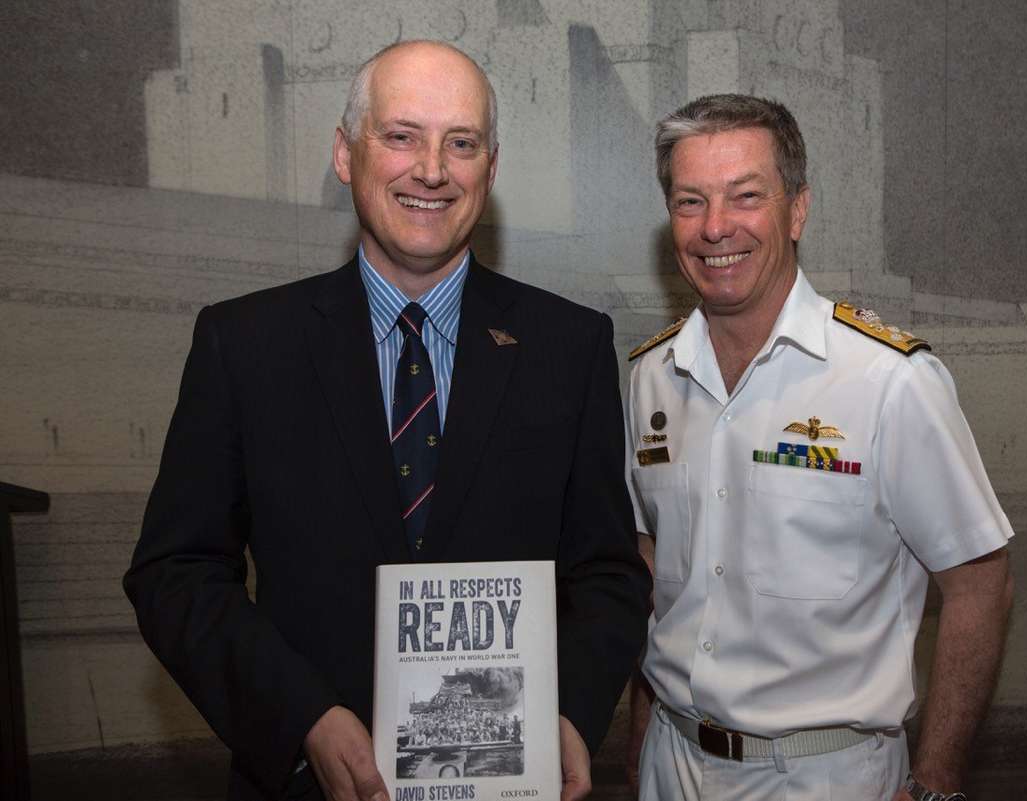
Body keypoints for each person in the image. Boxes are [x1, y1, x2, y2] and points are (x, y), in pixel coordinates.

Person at [124, 40, 649, 801]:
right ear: (346, 153)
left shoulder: (569, 347)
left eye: (460, 143)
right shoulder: (243, 345)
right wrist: (302, 716)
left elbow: (607, 572)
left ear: (489, 170)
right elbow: (173, 574)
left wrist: (570, 713)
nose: (431, 168)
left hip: (510, 781)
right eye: (401, 135)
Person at [625, 94, 1014, 801]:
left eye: (746, 196)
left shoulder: (890, 381)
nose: (716, 228)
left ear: (797, 209)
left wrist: (938, 777)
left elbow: (981, 580)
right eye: (690, 202)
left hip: (823, 775)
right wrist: (640, 745)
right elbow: (654, 574)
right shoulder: (649, 378)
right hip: (670, 763)